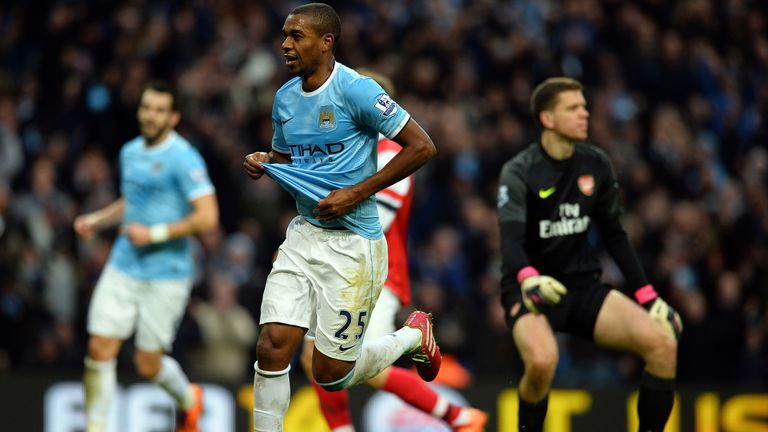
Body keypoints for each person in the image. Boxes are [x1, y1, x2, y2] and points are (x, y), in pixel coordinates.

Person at [242, 4, 440, 431]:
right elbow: (285, 155)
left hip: (354, 246)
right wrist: (266, 160)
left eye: (297, 37)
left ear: (326, 42)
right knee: (271, 347)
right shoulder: (285, 98)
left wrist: (355, 193)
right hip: (304, 235)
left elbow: (422, 147)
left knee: (331, 376)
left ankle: (411, 336)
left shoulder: (357, 90)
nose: (285, 45)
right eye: (284, 36)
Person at [298, 68, 487, 432]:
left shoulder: (392, 156)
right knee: (316, 357)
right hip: (336, 270)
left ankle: (453, 408)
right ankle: (457, 417)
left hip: (376, 275)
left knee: (355, 367)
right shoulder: (345, 154)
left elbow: (373, 224)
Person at [496, 77, 682, 432]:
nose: (585, 113)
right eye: (574, 108)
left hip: (583, 286)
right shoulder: (518, 171)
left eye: (584, 105)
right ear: (548, 119)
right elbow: (511, 242)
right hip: (531, 287)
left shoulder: (596, 163)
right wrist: (528, 278)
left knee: (663, 345)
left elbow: (615, 235)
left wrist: (648, 296)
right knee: (542, 362)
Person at [73, 81, 218, 432]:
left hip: (167, 272)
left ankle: (188, 400)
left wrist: (153, 234)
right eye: (146, 108)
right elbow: (132, 202)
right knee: (99, 348)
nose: (150, 116)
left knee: (147, 365)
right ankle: (96, 427)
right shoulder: (130, 152)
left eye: (158, 110)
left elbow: (207, 216)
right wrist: (98, 219)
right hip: (124, 264)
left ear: (174, 117)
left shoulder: (184, 158)